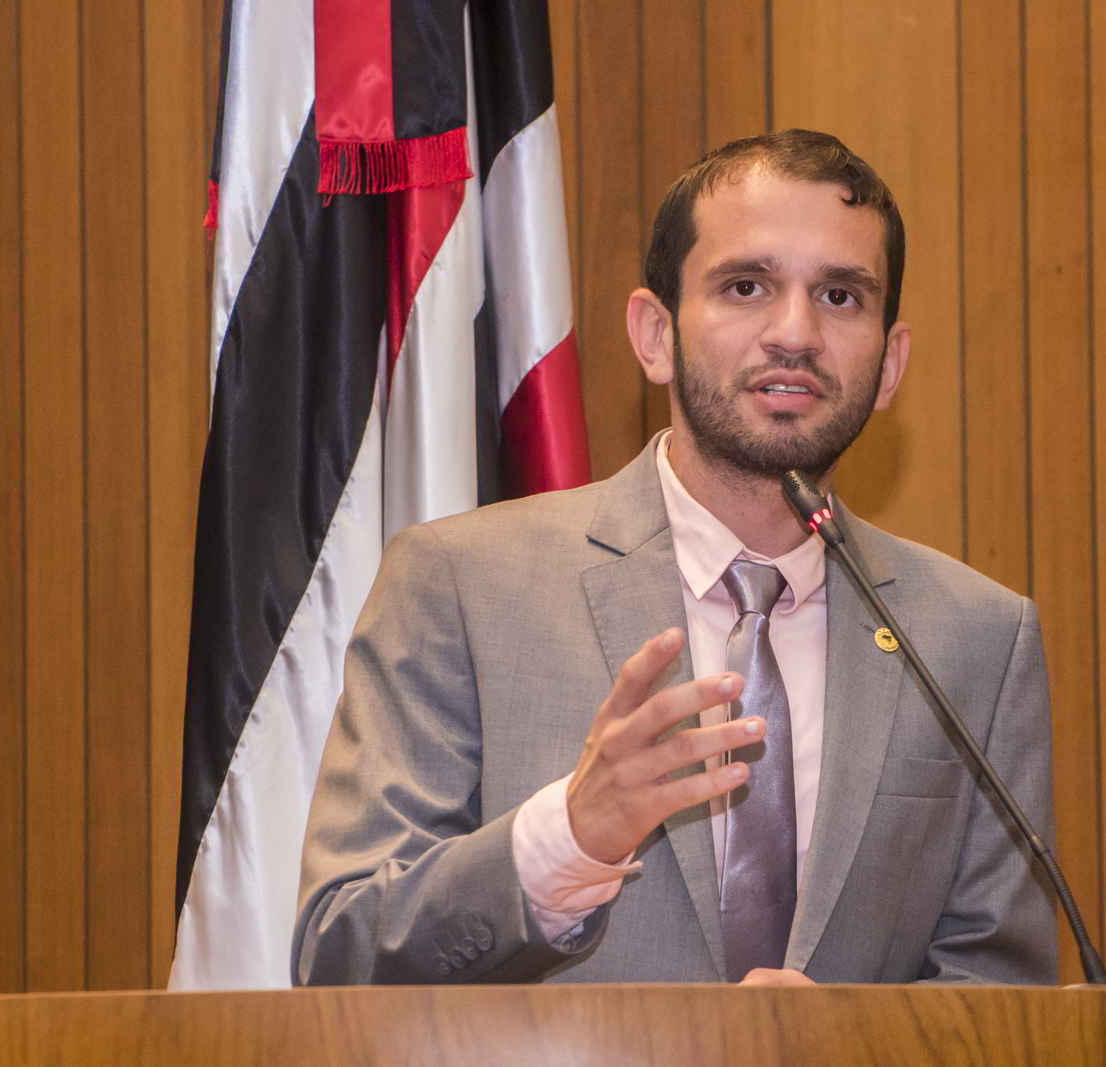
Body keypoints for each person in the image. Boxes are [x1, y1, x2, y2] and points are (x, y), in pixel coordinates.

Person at [292, 129, 1060, 986]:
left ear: (890, 364)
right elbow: (342, 947)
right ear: (654, 335)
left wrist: (857, 1045)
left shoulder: (978, 639)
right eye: (746, 286)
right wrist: (569, 839)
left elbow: (1002, 996)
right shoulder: (460, 585)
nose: (795, 332)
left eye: (841, 297)